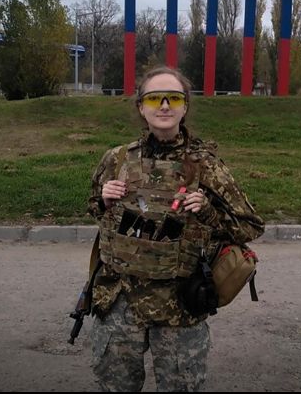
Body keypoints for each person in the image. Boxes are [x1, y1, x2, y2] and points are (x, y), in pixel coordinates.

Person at [85, 66, 265, 392]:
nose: (164, 105)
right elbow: (94, 210)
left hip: (179, 308)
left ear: (185, 106)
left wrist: (208, 211)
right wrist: (103, 200)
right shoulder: (116, 159)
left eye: (174, 98)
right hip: (119, 301)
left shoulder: (205, 166)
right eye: (155, 98)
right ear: (141, 107)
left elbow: (250, 226)